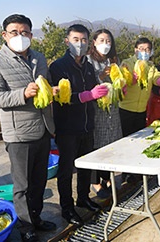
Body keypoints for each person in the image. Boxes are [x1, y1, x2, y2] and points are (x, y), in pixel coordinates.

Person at [0, 14, 56, 242]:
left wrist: (51, 91)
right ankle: (26, 228)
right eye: (14, 32)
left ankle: (36, 218)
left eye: (25, 32)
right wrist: (23, 93)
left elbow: (46, 86)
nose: (20, 36)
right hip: (19, 134)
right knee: (22, 185)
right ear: (4, 35)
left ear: (31, 35)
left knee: (39, 181)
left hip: (43, 129)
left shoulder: (38, 58)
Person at [49, 24, 108, 225]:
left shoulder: (89, 67)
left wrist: (101, 93)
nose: (80, 44)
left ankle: (83, 198)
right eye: (76, 39)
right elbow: (58, 97)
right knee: (66, 170)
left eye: (83, 40)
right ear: (67, 41)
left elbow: (92, 92)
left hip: (86, 125)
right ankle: (67, 207)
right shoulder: (58, 67)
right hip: (67, 127)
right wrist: (84, 96)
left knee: (85, 167)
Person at [87, 29, 122, 198]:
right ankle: (95, 182)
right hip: (97, 110)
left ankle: (108, 177)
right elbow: (87, 85)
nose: (105, 44)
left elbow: (119, 80)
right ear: (93, 42)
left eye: (108, 41)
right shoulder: (88, 61)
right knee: (96, 146)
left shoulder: (114, 60)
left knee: (111, 145)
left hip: (113, 110)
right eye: (101, 40)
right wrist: (100, 76)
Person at [119, 37, 160, 136]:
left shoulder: (150, 66)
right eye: (141, 49)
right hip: (126, 110)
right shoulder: (127, 63)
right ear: (135, 50)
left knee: (139, 138)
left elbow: (156, 78)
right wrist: (130, 80)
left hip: (142, 110)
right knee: (125, 139)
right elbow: (121, 80)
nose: (144, 52)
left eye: (147, 49)